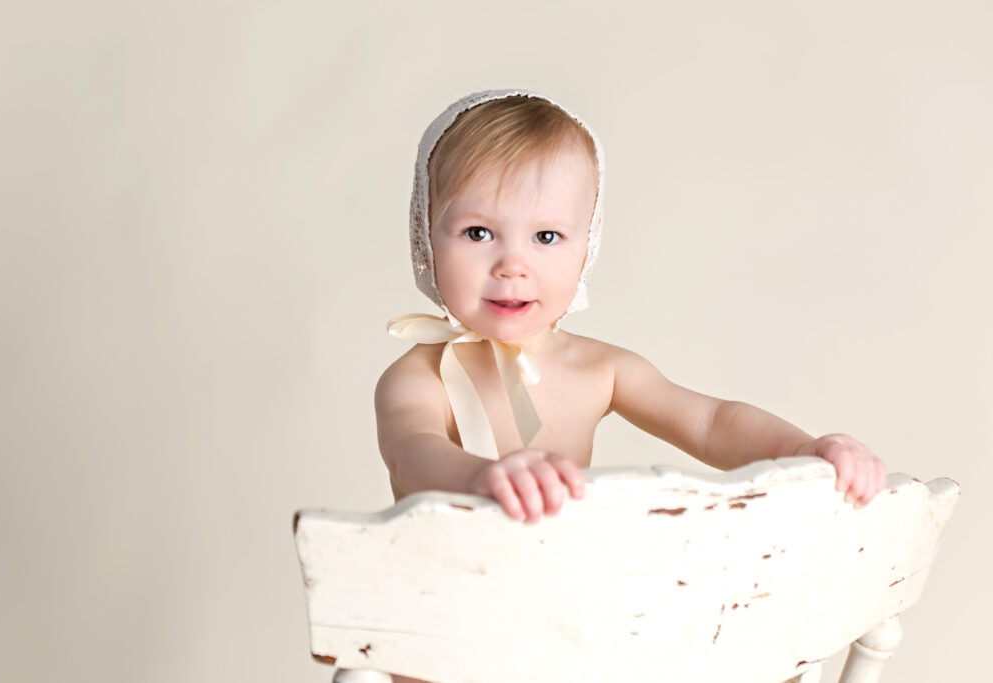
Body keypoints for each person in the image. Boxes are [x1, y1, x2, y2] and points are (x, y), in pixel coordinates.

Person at [376, 89, 887, 530]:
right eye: (478, 233)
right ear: (426, 236)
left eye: (547, 236)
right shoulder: (418, 379)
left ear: (587, 244)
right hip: (445, 614)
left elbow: (712, 422)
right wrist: (479, 477)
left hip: (559, 610)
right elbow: (414, 451)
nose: (513, 265)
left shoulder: (601, 369)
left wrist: (803, 451)